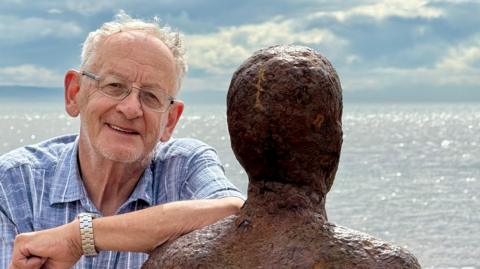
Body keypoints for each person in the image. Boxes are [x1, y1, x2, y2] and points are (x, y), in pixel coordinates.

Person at [0, 12, 244, 269]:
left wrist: (79, 238)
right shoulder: (15, 183)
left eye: (151, 96)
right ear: (74, 94)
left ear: (170, 120)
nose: (130, 109)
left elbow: (236, 213)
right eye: (114, 86)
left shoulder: (183, 167)